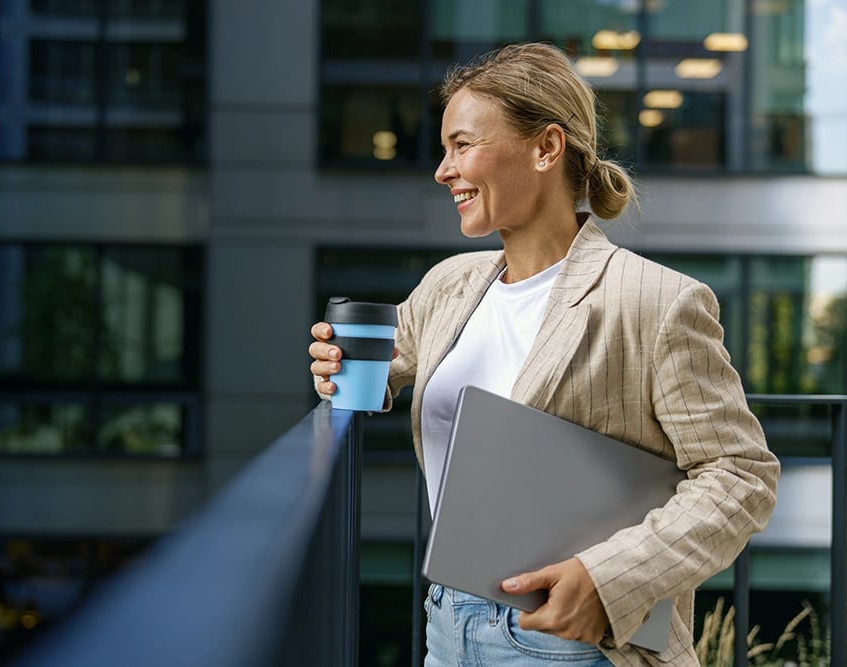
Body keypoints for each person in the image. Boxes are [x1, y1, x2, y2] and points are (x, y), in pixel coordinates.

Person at [309, 41, 780, 667]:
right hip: (447, 622)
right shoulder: (452, 284)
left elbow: (741, 477)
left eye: (462, 145)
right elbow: (391, 367)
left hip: (573, 636)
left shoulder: (656, 300)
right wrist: (337, 368)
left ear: (545, 148)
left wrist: (606, 579)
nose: (442, 170)